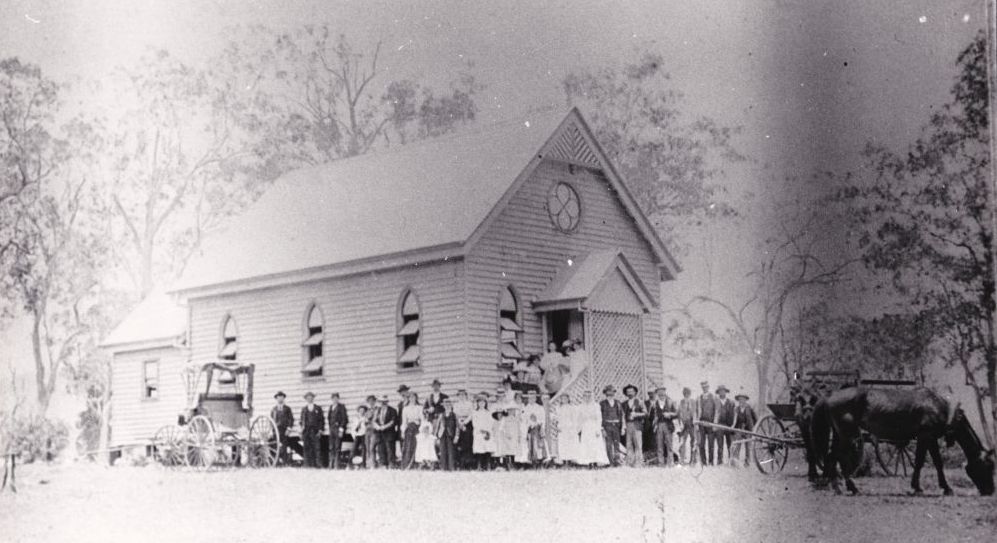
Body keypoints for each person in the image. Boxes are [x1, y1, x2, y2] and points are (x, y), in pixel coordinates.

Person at [577, 390, 610, 467]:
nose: (587, 398)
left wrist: (598, 429)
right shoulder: (580, 406)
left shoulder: (596, 406)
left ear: (592, 397)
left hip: (594, 427)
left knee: (595, 445)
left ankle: (595, 462)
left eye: (589, 396)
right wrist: (579, 429)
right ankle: (588, 462)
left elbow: (599, 418)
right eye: (585, 396)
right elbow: (579, 419)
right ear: (583, 397)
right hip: (585, 428)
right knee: (587, 444)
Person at [649, 387, 678, 467]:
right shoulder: (654, 403)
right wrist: (654, 421)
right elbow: (650, 416)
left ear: (665, 392)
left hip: (668, 425)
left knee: (669, 445)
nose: (661, 394)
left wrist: (670, 414)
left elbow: (677, 414)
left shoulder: (671, 402)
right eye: (659, 392)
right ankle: (660, 463)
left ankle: (670, 463)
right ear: (657, 394)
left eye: (662, 392)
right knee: (659, 445)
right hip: (658, 426)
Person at [492, 388, 520, 469]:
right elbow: (500, 425)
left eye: (502, 396)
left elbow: (517, 428)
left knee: (513, 449)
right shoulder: (495, 406)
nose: (500, 398)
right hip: (503, 432)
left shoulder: (514, 418)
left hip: (513, 435)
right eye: (499, 396)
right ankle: (502, 464)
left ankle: (512, 464)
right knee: (502, 448)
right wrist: (505, 433)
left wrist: (518, 435)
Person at [599, 385, 624, 467]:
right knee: (608, 444)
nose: (610, 393)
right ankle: (610, 462)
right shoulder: (602, 403)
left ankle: (617, 461)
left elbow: (621, 415)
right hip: (607, 426)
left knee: (617, 444)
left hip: (616, 426)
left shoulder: (618, 403)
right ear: (605, 393)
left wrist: (623, 427)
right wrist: (602, 428)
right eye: (608, 391)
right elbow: (600, 417)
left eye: (612, 391)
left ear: (614, 393)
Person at [622, 384, 646, 467]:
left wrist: (636, 414)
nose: (629, 393)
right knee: (629, 444)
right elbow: (623, 415)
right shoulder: (624, 403)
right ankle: (630, 462)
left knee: (638, 444)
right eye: (628, 391)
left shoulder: (639, 401)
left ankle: (638, 463)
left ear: (635, 392)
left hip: (637, 425)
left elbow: (645, 413)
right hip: (628, 425)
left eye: (631, 391)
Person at [520, 390, 547, 466]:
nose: (531, 399)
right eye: (530, 398)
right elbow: (523, 419)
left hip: (538, 428)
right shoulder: (525, 408)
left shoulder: (539, 407)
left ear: (535, 398)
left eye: (533, 398)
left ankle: (540, 460)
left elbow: (543, 419)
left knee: (538, 445)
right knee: (530, 445)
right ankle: (531, 461)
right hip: (529, 429)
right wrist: (529, 424)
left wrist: (538, 423)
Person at [730, 392, 757, 467]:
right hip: (739, 429)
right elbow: (735, 420)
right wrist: (733, 427)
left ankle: (747, 463)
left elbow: (755, 419)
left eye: (743, 399)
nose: (741, 401)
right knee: (737, 445)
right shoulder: (736, 409)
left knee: (748, 447)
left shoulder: (749, 408)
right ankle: (736, 462)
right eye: (740, 399)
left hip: (748, 430)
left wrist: (752, 427)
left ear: (745, 400)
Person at [371, 395, 398, 468]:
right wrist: (377, 426)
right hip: (380, 433)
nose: (382, 403)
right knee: (381, 449)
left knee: (390, 449)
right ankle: (383, 464)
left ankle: (391, 465)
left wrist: (384, 427)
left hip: (389, 432)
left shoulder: (392, 410)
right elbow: (374, 421)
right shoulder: (377, 411)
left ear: (387, 402)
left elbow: (393, 421)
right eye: (381, 402)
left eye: (384, 402)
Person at [299, 392, 324, 468]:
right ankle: (307, 465)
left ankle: (318, 464)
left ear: (313, 398)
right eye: (308, 398)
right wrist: (301, 430)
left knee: (317, 448)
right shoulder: (304, 409)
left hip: (315, 431)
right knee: (306, 448)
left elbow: (321, 420)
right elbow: (301, 421)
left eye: (311, 397)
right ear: (306, 399)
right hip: (306, 431)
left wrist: (320, 430)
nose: (309, 399)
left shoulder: (318, 408)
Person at [697, 381, 719, 465]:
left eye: (706, 387)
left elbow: (717, 411)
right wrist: (698, 422)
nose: (704, 388)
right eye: (703, 387)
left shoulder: (713, 397)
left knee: (711, 444)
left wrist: (715, 423)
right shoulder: (699, 398)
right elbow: (698, 410)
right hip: (702, 423)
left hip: (711, 423)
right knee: (701, 444)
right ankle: (703, 462)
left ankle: (711, 462)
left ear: (708, 387)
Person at [399, 392, 423, 469]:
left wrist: (421, 429)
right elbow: (404, 421)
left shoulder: (419, 407)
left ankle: (416, 464)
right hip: (409, 429)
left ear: (416, 398)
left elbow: (422, 419)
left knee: (417, 445)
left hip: (417, 428)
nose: (412, 399)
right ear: (408, 399)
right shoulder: (405, 409)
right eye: (410, 397)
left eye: (414, 397)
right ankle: (407, 464)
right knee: (408, 446)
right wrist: (403, 431)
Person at [471, 394, 495, 470]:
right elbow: (474, 423)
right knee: (479, 449)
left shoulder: (488, 412)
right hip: (479, 432)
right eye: (480, 402)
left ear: (485, 403)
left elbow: (491, 422)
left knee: (487, 448)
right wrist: (481, 430)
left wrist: (487, 430)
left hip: (487, 432)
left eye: (483, 402)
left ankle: (488, 465)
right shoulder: (475, 412)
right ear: (477, 403)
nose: (482, 404)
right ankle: (479, 465)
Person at [270, 391, 294, 466]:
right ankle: (276, 463)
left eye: (281, 397)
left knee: (284, 446)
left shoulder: (287, 409)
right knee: (275, 446)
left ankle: (285, 462)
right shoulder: (273, 409)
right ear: (276, 398)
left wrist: (289, 429)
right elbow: (271, 420)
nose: (280, 398)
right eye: (278, 397)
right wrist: (271, 430)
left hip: (284, 431)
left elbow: (291, 419)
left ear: (283, 398)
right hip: (276, 431)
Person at [453, 389, 475, 469]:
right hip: (459, 424)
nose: (462, 396)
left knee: (468, 443)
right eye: (460, 395)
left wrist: (465, 422)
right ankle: (460, 463)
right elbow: (456, 415)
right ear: (458, 396)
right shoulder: (456, 405)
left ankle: (468, 463)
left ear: (466, 395)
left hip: (468, 424)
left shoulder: (469, 404)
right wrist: (460, 423)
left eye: (463, 395)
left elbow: (471, 414)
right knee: (459, 443)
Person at [555, 394, 578, 465]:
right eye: (562, 398)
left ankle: (570, 460)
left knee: (570, 444)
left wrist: (573, 428)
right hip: (562, 427)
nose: (564, 400)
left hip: (569, 427)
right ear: (561, 400)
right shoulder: (558, 408)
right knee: (562, 444)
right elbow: (557, 418)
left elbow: (574, 419)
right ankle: (564, 460)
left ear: (568, 399)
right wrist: (558, 426)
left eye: (566, 398)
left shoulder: (572, 408)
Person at [327, 392, 349, 469]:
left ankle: (337, 464)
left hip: (338, 429)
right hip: (332, 429)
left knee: (337, 447)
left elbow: (344, 419)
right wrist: (330, 428)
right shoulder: (331, 407)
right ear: (332, 399)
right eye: (333, 398)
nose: (335, 400)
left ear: (338, 399)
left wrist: (341, 429)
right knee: (331, 447)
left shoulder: (341, 407)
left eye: (336, 398)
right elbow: (329, 418)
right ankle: (331, 464)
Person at [715, 385, 735, 465]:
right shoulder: (716, 402)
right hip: (719, 426)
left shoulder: (730, 402)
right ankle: (720, 461)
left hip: (728, 426)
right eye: (720, 391)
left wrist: (732, 426)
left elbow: (733, 415)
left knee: (730, 444)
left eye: (723, 391)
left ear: (725, 392)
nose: (721, 392)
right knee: (720, 444)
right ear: (718, 392)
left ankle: (731, 461)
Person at [437, 398, 459, 471]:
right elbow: (438, 426)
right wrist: (437, 436)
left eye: (449, 405)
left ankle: (451, 467)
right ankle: (443, 467)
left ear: (451, 406)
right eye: (445, 405)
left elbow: (457, 426)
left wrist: (456, 436)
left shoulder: (454, 415)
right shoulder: (441, 415)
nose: (447, 406)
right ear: (444, 406)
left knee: (451, 451)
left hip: (451, 435)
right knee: (443, 450)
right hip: (442, 434)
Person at [676, 387, 696, 464]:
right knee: (682, 442)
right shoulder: (681, 402)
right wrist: (680, 424)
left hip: (692, 424)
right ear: (683, 394)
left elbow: (695, 412)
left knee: (693, 442)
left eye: (688, 394)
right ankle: (682, 460)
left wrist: (694, 422)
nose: (686, 395)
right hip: (684, 425)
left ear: (690, 394)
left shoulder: (693, 402)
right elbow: (678, 414)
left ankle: (693, 460)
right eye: (685, 394)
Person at [362, 395, 378, 468]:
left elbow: (376, 419)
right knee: (367, 447)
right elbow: (365, 420)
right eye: (369, 401)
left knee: (372, 447)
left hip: (374, 431)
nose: (371, 402)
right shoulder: (367, 410)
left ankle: (374, 464)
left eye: (372, 401)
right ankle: (369, 464)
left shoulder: (377, 409)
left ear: (375, 401)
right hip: (367, 430)